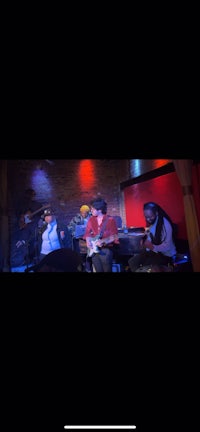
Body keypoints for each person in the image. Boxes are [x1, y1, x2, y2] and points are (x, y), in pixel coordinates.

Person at [128, 202, 177, 272]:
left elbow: (167, 246)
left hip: (166, 255)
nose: (148, 219)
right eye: (146, 217)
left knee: (150, 267)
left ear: (156, 213)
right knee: (132, 261)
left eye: (151, 217)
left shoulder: (165, 224)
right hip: (155, 252)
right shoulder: (153, 223)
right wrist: (144, 242)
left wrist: (152, 247)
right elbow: (150, 237)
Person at [84, 197, 119, 272]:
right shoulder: (91, 219)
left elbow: (115, 236)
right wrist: (88, 241)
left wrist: (103, 241)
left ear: (99, 210)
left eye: (93, 209)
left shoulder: (110, 220)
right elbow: (87, 233)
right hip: (94, 250)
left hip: (105, 251)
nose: (91, 210)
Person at [67, 204, 92, 271]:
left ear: (88, 212)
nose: (83, 214)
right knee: (81, 257)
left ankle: (90, 269)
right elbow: (69, 227)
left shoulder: (92, 218)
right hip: (80, 241)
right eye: (82, 212)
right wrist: (75, 234)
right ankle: (82, 269)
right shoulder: (76, 218)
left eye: (85, 213)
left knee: (91, 256)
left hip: (91, 240)